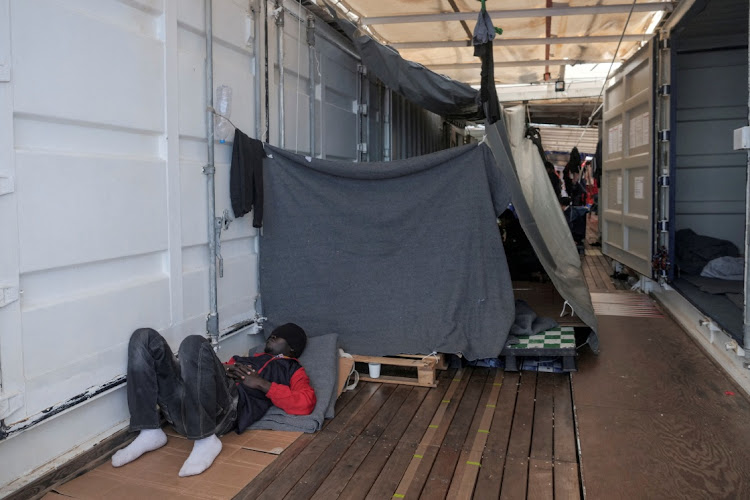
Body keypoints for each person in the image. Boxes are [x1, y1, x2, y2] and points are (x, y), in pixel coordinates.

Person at [111, 323, 316, 477]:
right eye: (273, 333)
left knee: (194, 342)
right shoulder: (246, 358)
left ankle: (205, 441)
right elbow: (199, 367)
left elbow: (305, 402)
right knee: (144, 337)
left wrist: (262, 384)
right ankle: (149, 431)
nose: (273, 335)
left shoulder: (292, 369)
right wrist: (227, 367)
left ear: (292, 349)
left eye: (281, 337)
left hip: (221, 414)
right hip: (181, 409)